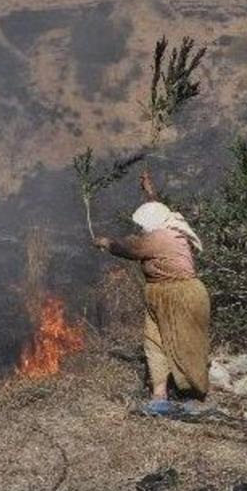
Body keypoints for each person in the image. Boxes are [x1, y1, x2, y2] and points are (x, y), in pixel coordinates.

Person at [92, 170, 210, 415]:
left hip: (182, 295)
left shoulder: (161, 237)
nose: (142, 229)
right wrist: (149, 190)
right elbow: (157, 208)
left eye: (144, 226)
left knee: (186, 344)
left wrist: (106, 243)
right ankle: (159, 395)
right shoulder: (168, 222)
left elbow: (129, 248)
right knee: (154, 341)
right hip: (159, 294)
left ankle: (194, 394)